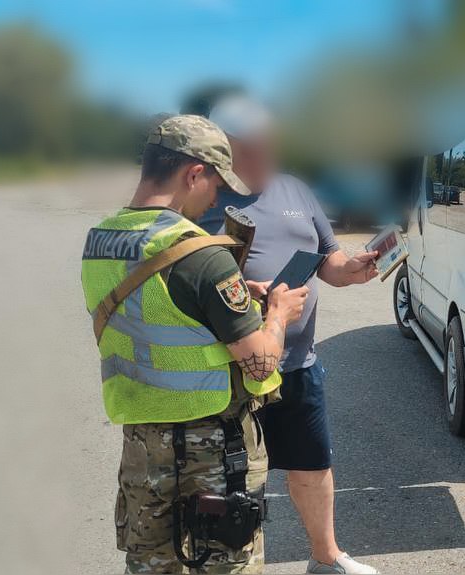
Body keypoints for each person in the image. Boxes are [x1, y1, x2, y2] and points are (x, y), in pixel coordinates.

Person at [81, 115, 309, 572]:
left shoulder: (99, 241)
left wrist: (231, 297)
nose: (216, 198)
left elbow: (159, 313)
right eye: (215, 185)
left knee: (151, 566)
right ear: (193, 173)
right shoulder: (202, 254)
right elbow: (261, 363)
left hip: (143, 448)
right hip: (213, 450)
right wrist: (278, 314)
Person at [195, 95, 380, 575]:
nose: (267, 156)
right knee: (231, 478)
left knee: (313, 466)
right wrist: (245, 295)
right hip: (233, 368)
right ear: (225, 147)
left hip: (297, 364)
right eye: (254, 148)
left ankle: (326, 558)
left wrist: (350, 270)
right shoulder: (203, 198)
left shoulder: (296, 190)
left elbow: (329, 259)